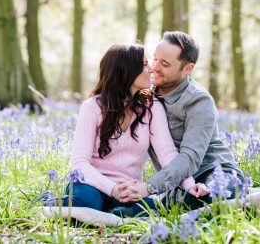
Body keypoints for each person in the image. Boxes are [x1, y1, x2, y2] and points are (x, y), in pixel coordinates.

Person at [63, 43, 206, 216]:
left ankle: (115, 212)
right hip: (91, 184)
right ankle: (55, 202)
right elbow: (79, 164)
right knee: (85, 204)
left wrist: (190, 186)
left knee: (151, 210)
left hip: (129, 190)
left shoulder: (151, 107)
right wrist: (113, 189)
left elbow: (167, 153)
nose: (152, 69)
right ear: (127, 70)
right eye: (145, 64)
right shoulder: (92, 107)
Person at [117, 31, 244, 210]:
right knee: (134, 209)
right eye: (155, 59)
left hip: (214, 173)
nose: (155, 68)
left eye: (165, 64)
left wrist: (150, 187)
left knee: (215, 199)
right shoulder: (145, 95)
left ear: (187, 68)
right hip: (176, 182)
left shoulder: (199, 101)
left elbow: (190, 157)